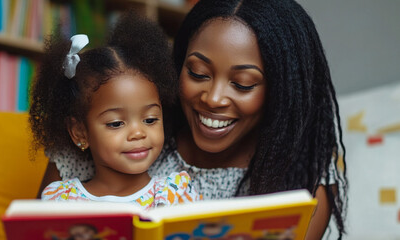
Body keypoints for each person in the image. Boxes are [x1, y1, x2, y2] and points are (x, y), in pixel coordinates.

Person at [38, 0, 347, 239]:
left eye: (242, 83)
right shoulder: (90, 145)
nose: (213, 98)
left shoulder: (303, 174)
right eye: (198, 73)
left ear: (282, 90)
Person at [29, 13, 200, 209]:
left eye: (150, 120)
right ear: (79, 131)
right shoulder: (61, 199)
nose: (138, 133)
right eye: (116, 123)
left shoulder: (176, 194)